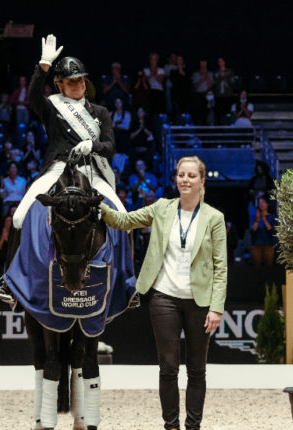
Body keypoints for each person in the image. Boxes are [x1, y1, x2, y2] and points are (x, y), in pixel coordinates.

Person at [99, 155, 227, 430]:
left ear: (202, 181)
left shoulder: (214, 218)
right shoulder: (161, 208)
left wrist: (216, 307)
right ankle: (171, 425)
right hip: (163, 298)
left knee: (196, 370)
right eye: (181, 174)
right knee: (168, 368)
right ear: (176, 178)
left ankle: (193, 426)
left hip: (200, 302)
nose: (185, 180)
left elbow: (221, 267)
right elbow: (123, 221)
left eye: (191, 175)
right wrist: (98, 204)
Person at [12, 34, 126, 230]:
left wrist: (92, 145)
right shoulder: (51, 108)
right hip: (57, 168)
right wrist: (44, 66)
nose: (79, 85)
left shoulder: (101, 112)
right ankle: (15, 261)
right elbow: (33, 95)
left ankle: (121, 260)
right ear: (60, 85)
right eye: (72, 82)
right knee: (18, 218)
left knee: (123, 218)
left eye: (81, 80)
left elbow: (110, 149)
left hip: (90, 170)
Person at [249, 196, 276, 268]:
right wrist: (258, 219)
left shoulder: (272, 217)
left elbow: (272, 231)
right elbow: (252, 231)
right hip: (256, 245)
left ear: (267, 204)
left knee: (268, 268)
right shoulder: (254, 217)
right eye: (260, 203)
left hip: (268, 245)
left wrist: (264, 218)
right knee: (256, 267)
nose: (261, 204)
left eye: (263, 202)